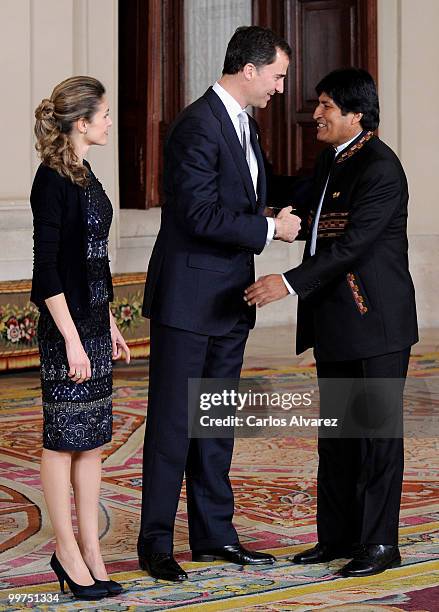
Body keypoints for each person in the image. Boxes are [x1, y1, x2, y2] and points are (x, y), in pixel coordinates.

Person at [138, 26, 302, 582]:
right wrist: (268, 230)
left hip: (231, 299)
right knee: (172, 425)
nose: (281, 88)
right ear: (250, 70)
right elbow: (198, 216)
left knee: (215, 422)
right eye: (278, 76)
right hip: (187, 300)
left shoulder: (245, 125)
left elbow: (244, 197)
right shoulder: (195, 126)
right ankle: (155, 543)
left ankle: (214, 536)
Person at [244, 68, 418, 577]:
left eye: (325, 106)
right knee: (338, 435)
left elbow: (353, 245)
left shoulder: (382, 169)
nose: (314, 114)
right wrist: (243, 161)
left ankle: (380, 545)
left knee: (375, 437)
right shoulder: (330, 160)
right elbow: (299, 203)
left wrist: (288, 283)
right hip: (337, 321)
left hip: (377, 324)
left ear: (355, 115)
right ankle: (337, 539)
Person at [31, 76, 130, 600]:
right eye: (106, 113)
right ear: (82, 121)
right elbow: (46, 271)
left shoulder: (86, 173)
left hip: (92, 322)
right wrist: (70, 337)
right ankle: (66, 550)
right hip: (63, 328)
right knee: (62, 440)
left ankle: (93, 551)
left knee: (91, 442)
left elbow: (94, 258)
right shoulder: (51, 179)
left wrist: (107, 323)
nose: (111, 121)